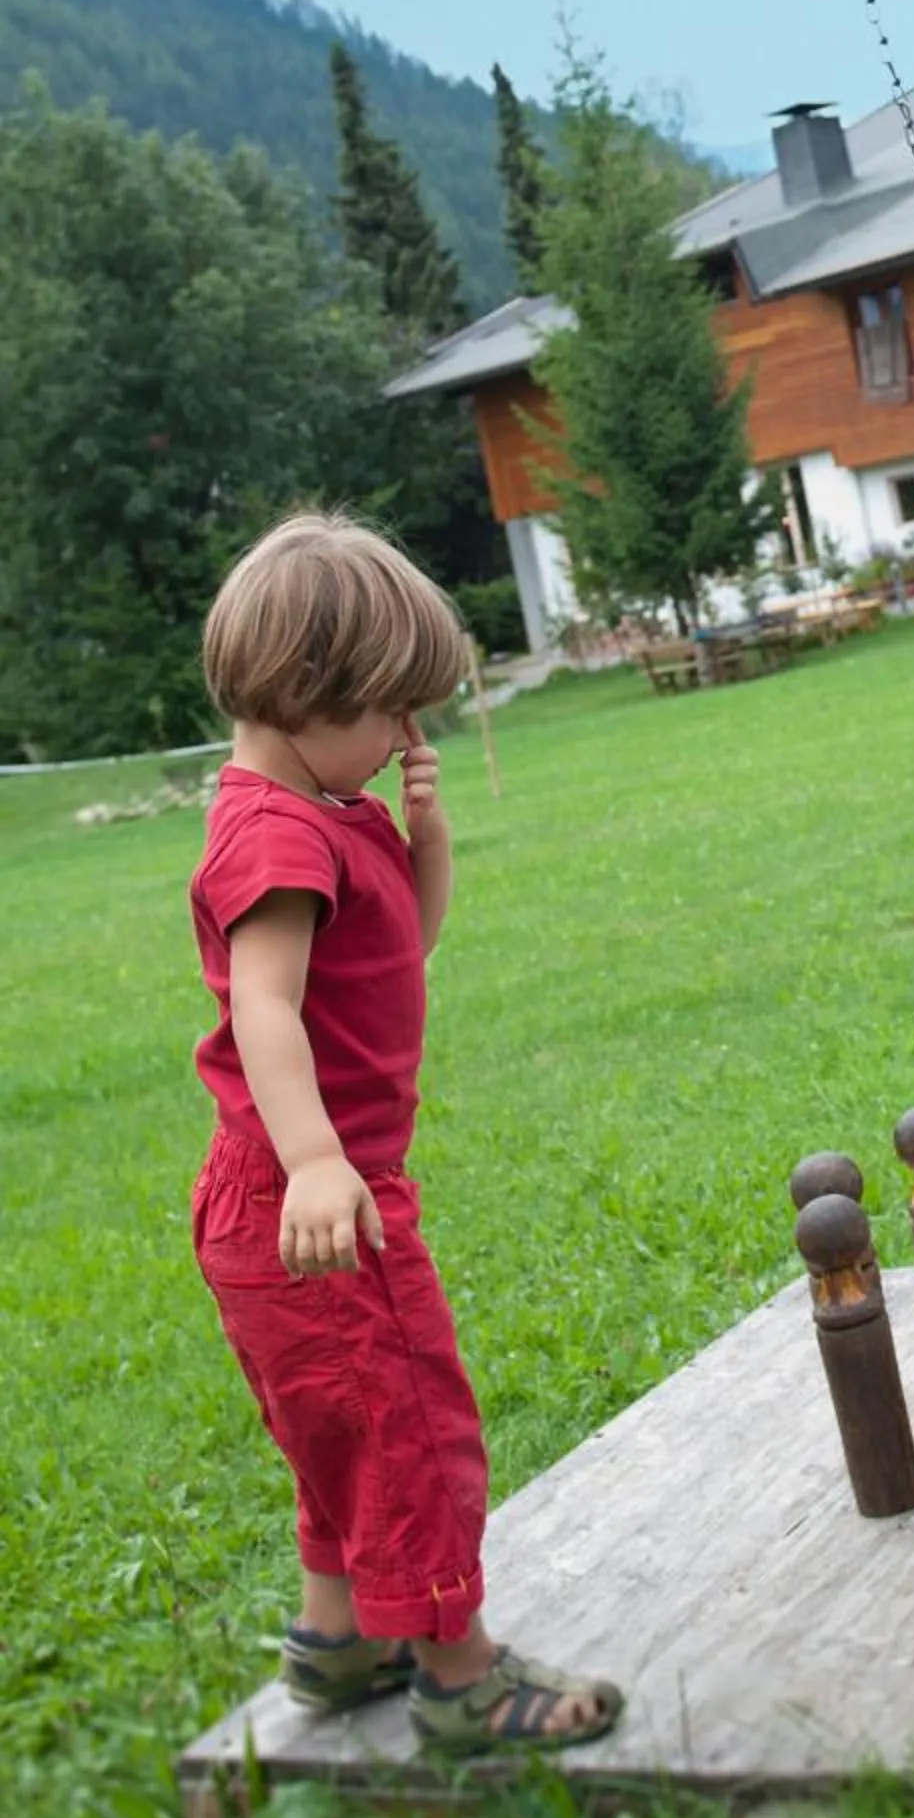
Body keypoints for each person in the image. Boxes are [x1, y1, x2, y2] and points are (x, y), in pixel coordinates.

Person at [189, 514, 623, 1755]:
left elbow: (404, 948)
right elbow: (264, 1007)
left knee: (345, 1433)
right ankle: (461, 1679)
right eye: (389, 714)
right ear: (301, 694)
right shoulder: (275, 837)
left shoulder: (323, 809)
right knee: (414, 1433)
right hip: (317, 1198)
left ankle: (337, 1646)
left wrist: (425, 835)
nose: (403, 742)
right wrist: (321, 1163)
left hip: (278, 1196)